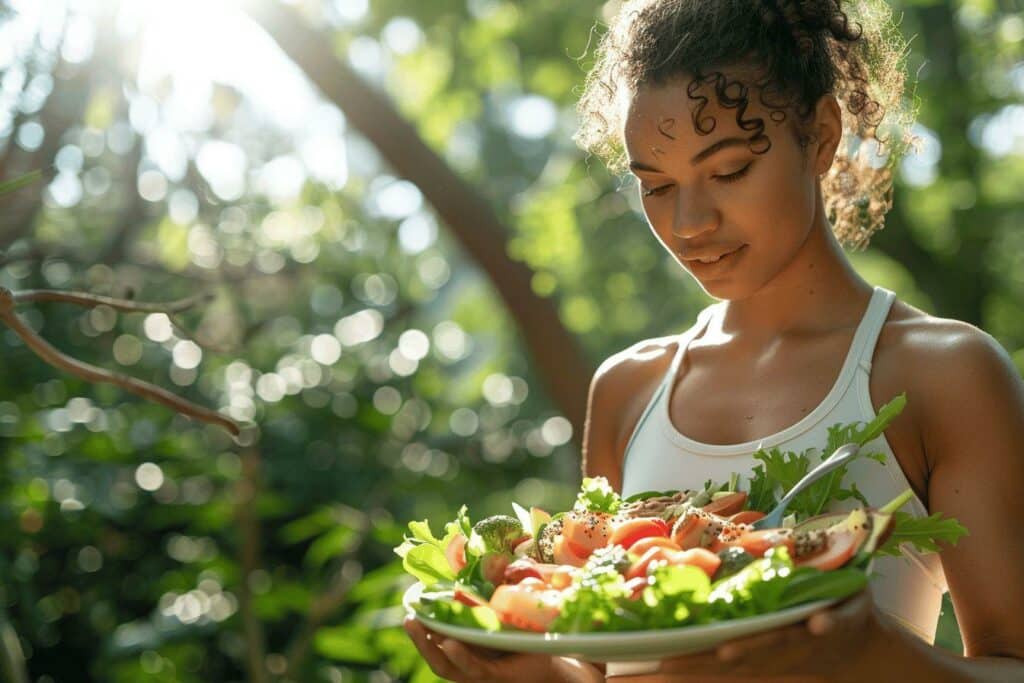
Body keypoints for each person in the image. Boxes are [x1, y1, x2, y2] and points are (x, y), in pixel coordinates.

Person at [404, 0, 1024, 680]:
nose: (690, 222)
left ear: (819, 136)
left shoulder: (942, 375)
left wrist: (871, 650)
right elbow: (603, 665)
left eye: (727, 171)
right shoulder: (626, 390)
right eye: (658, 186)